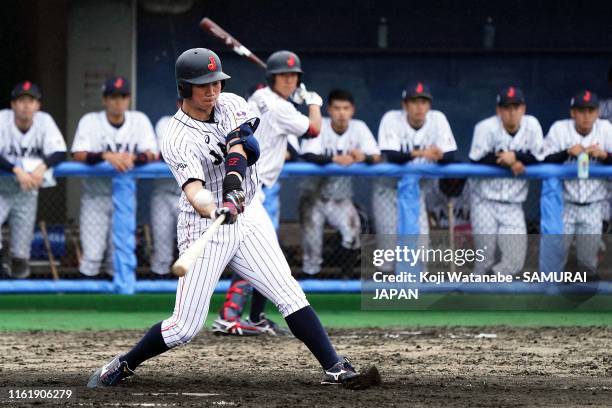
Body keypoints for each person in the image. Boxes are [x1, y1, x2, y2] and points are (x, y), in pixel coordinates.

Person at [86, 48, 378, 389]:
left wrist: (234, 188)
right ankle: (123, 364)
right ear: (184, 88)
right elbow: (194, 191)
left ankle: (334, 366)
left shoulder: (230, 102)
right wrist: (215, 207)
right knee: (184, 328)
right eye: (202, 85)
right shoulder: (176, 137)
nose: (212, 91)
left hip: (248, 211)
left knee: (288, 292)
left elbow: (242, 146)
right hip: (206, 226)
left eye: (216, 83)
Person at [212, 50, 323, 336]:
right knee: (255, 253)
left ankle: (257, 316)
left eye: (293, 76)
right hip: (248, 189)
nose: (288, 80)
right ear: (272, 78)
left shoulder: (262, 96)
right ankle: (228, 316)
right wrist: (312, 103)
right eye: (282, 76)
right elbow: (314, 130)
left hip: (254, 186)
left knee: (265, 253)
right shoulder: (279, 108)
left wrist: (292, 98)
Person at [71, 76, 157, 277]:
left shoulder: (139, 120)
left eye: (122, 96)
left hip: (125, 198)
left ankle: (113, 305)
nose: (118, 101)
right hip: (95, 198)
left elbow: (153, 153)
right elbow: (77, 153)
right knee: (92, 256)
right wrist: (106, 156)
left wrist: (132, 159)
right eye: (113, 96)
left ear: (128, 99)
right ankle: (84, 304)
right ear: (104, 100)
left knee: (117, 257)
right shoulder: (90, 121)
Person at [373, 82, 457, 271]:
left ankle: (415, 294)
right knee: (388, 251)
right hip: (387, 192)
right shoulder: (392, 119)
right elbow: (391, 155)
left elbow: (450, 154)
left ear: (429, 105)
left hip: (415, 193)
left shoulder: (438, 119)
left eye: (424, 102)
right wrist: (423, 153)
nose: (419, 107)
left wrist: (440, 155)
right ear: (404, 105)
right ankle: (390, 294)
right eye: (414, 102)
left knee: (421, 247)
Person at [300, 89, 381, 276]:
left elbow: (376, 156)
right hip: (313, 197)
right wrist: (334, 159)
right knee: (312, 245)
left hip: (341, 199)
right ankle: (310, 281)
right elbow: (307, 154)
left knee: (352, 233)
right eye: (337, 108)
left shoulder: (359, 127)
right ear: (329, 109)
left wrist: (363, 157)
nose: (342, 113)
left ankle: (346, 279)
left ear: (352, 110)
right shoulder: (320, 125)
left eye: (346, 108)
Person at [468, 86, 543, 275]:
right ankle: (480, 300)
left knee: (514, 262)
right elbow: (475, 159)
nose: (511, 112)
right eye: (506, 107)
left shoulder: (532, 125)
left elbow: (541, 157)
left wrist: (515, 156)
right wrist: (507, 161)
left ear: (523, 109)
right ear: (498, 110)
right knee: (483, 261)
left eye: (516, 107)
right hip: (483, 202)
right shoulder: (485, 128)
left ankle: (490, 284)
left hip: (513, 205)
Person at [0, 81, 66, 278]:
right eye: (21, 100)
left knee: (21, 251)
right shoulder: (2, 120)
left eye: (31, 101)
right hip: (1, 189)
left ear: (38, 105)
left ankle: (18, 295)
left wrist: (42, 166)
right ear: (13, 105)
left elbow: (60, 151)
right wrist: (16, 170)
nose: (26, 105)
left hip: (27, 192)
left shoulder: (44, 121)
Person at [544, 90, 612, 276]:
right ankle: (548, 299)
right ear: (573, 113)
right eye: (581, 110)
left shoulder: (606, 129)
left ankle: (583, 302)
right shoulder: (560, 129)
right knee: (556, 259)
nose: (586, 116)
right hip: (564, 206)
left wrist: (605, 155)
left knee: (588, 263)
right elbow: (542, 160)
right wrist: (566, 152)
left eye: (591, 110)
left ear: (597, 113)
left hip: (593, 206)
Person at [150, 99, 182, 276]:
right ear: (178, 104)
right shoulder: (166, 122)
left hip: (191, 196)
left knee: (192, 249)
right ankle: (157, 286)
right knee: (162, 251)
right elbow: (165, 152)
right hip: (163, 193)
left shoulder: (206, 125)